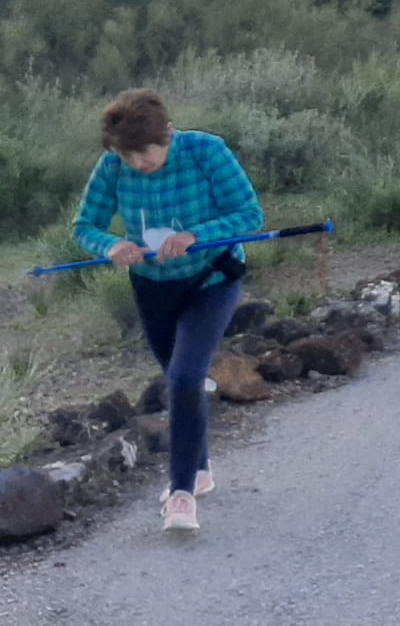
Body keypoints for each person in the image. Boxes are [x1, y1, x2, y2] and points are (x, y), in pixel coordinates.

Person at [72, 89, 263, 534]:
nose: (138, 162)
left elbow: (249, 214)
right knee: (179, 382)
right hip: (152, 287)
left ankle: (180, 497)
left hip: (212, 280)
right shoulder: (113, 165)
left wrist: (198, 234)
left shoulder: (206, 151)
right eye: (128, 154)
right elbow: (86, 226)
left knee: (183, 378)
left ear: (168, 135)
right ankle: (200, 471)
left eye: (146, 152)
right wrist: (112, 245)